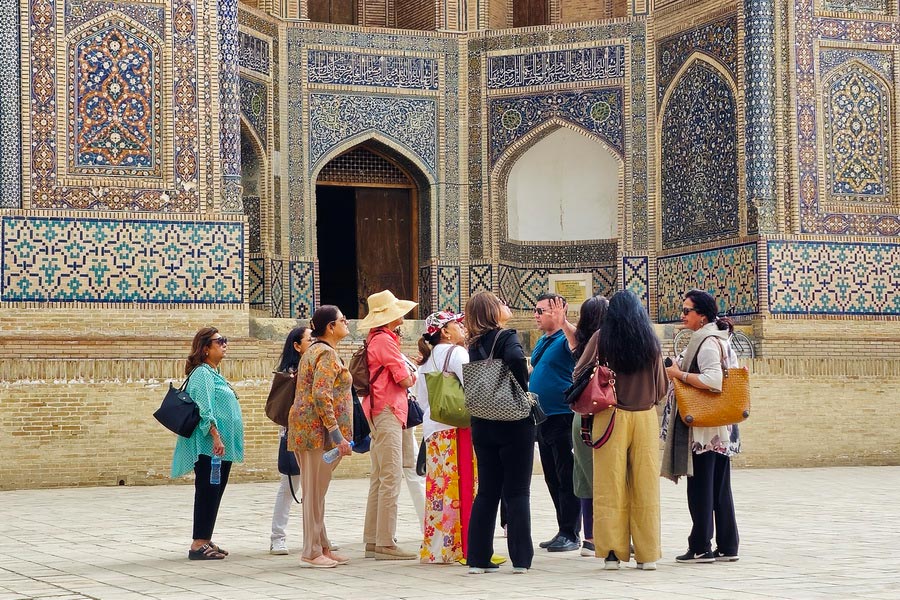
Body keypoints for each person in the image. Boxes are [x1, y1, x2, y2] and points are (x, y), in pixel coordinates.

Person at [662, 288, 741, 564]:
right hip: (720, 428)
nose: (682, 315)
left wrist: (679, 374)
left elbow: (713, 381)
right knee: (719, 488)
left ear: (702, 315)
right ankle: (728, 546)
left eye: (687, 311)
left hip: (706, 430)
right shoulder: (717, 338)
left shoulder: (707, 341)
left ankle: (701, 546)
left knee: (701, 489)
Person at [592, 290, 666, 570]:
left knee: (609, 485)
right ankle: (647, 555)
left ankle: (612, 553)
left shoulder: (602, 340)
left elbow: (580, 373)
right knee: (646, 486)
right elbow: (661, 387)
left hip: (610, 417)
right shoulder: (651, 342)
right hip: (645, 417)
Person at [465, 291, 534, 574]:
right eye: (500, 304)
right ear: (492, 312)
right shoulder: (506, 337)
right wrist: (522, 388)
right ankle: (521, 559)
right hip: (513, 421)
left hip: (482, 421)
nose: (506, 307)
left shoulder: (474, 343)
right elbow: (517, 360)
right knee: (517, 491)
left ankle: (478, 559)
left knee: (487, 492)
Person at [287, 305, 353, 568]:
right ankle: (311, 552)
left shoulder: (317, 351)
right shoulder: (324, 353)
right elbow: (321, 395)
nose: (346, 323)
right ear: (330, 327)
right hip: (316, 433)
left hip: (312, 431)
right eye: (342, 319)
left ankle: (322, 545)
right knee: (314, 492)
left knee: (317, 491)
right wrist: (337, 435)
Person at [171, 327, 244, 560]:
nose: (225, 344)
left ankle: (206, 537)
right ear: (205, 349)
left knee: (214, 492)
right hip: (209, 446)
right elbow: (205, 407)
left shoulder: (214, 372)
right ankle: (198, 544)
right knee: (207, 490)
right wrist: (215, 435)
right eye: (219, 341)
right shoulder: (202, 373)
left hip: (217, 447)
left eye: (225, 340)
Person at [359, 290, 419, 560]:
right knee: (391, 475)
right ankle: (385, 542)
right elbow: (404, 380)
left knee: (379, 475)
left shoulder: (375, 339)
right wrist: (414, 373)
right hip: (387, 409)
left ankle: (373, 538)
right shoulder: (385, 341)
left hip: (378, 408)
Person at [414, 310, 473, 563]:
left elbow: (423, 400)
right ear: (445, 332)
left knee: (438, 488)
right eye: (456, 324)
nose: (462, 328)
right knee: (461, 487)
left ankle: (436, 547)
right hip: (457, 427)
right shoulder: (457, 353)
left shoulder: (425, 362)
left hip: (433, 430)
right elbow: (472, 387)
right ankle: (459, 546)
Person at [530, 292, 580, 553]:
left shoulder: (565, 337)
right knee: (551, 475)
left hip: (562, 415)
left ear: (560, 311)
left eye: (541, 311)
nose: (536, 315)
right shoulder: (543, 341)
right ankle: (562, 528)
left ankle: (571, 532)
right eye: (535, 310)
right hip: (543, 416)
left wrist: (564, 323)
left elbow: (578, 346)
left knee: (565, 475)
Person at [568, 295, 608, 558]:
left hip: (581, 414)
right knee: (606, 475)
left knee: (584, 473)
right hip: (605, 413)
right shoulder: (609, 341)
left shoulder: (582, 344)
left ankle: (591, 536)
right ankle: (607, 533)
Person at [269, 326, 312, 555]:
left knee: (315, 489)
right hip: (293, 436)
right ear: (297, 345)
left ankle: (317, 535)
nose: (313, 342)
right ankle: (278, 537)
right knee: (289, 487)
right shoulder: (287, 375)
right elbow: (279, 409)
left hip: (315, 436)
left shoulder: (314, 367)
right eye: (309, 339)